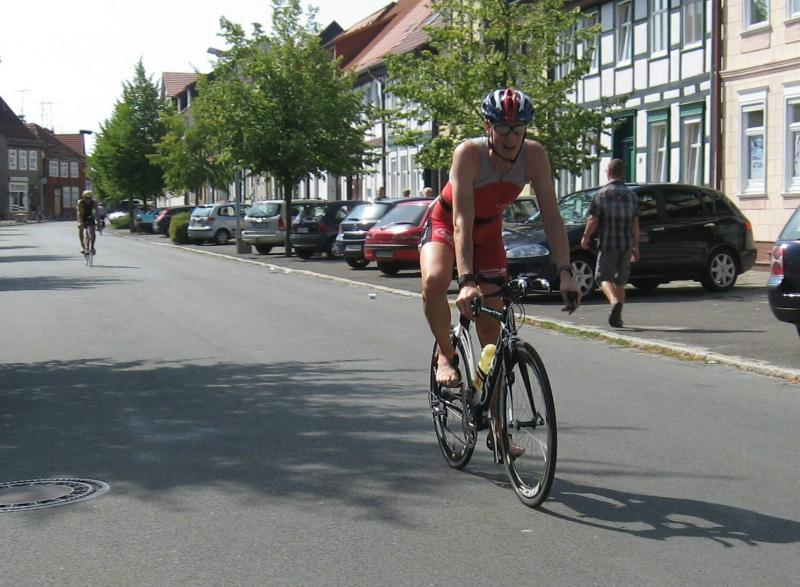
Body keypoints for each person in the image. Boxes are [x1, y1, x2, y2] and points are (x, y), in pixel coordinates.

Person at [420, 87, 581, 390]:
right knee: (435, 280)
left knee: (491, 333)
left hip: (489, 229)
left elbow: (552, 218)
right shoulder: (469, 154)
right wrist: (467, 281)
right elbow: (461, 222)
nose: (510, 137)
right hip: (447, 221)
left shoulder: (534, 156)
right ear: (488, 127)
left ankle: (496, 417)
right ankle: (445, 353)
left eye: (518, 129)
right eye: (503, 128)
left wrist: (565, 272)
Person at [580, 158, 640, 328]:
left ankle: (614, 302)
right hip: (626, 243)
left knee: (602, 277)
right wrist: (636, 246)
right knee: (620, 280)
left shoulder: (602, 194)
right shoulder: (632, 195)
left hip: (608, 243)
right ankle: (618, 318)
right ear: (623, 173)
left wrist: (586, 237)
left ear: (608, 173)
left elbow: (593, 219)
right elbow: (635, 224)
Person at [77, 189, 99, 254]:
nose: (87, 200)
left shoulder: (94, 202)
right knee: (81, 228)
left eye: (89, 198)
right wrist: (80, 222)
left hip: (90, 216)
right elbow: (79, 213)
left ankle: (92, 247)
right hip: (82, 216)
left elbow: (97, 212)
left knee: (93, 232)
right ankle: (82, 245)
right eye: (86, 198)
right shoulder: (80, 202)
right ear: (83, 197)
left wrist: (98, 221)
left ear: (91, 198)